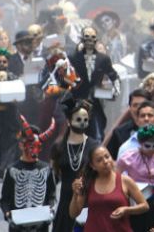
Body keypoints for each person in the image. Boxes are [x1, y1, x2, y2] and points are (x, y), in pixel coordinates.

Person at [69, 145, 150, 232]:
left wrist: (126, 210)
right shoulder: (88, 182)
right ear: (92, 165)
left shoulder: (125, 181)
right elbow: (73, 214)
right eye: (99, 160)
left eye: (107, 156)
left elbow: (144, 206)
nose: (105, 161)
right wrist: (75, 194)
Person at [50, 94, 100, 232]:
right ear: (68, 121)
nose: (83, 122)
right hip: (65, 202)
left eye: (86, 119)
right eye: (78, 119)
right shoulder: (59, 147)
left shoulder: (94, 146)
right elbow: (53, 177)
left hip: (88, 200)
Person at [0, 116, 57, 232]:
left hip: (41, 225)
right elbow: (4, 199)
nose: (33, 150)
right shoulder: (12, 170)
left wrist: (50, 211)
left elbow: (52, 196)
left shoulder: (47, 169)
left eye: (36, 146)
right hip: (17, 225)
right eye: (29, 145)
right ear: (21, 145)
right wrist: (8, 214)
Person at [116, 124, 154, 231]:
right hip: (138, 197)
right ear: (140, 143)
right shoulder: (129, 157)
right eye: (147, 146)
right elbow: (117, 176)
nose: (151, 149)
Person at [69, 26, 119, 140]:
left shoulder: (103, 60)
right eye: (86, 37)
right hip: (77, 103)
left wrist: (113, 91)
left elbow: (114, 78)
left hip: (96, 102)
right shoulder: (73, 58)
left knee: (97, 135)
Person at [104, 88, 152, 158]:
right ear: (130, 108)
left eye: (143, 105)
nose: (139, 109)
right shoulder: (119, 133)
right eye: (135, 105)